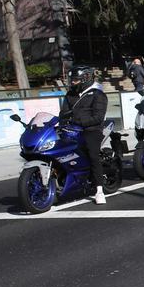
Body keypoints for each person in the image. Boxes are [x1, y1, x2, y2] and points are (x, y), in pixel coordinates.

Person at [60, 66, 110, 205]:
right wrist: (61, 122)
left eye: (76, 80)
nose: (73, 83)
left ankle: (99, 190)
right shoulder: (70, 94)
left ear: (86, 79)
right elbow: (63, 113)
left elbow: (98, 117)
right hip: (73, 129)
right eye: (72, 80)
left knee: (93, 154)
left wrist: (80, 122)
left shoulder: (97, 94)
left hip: (92, 129)